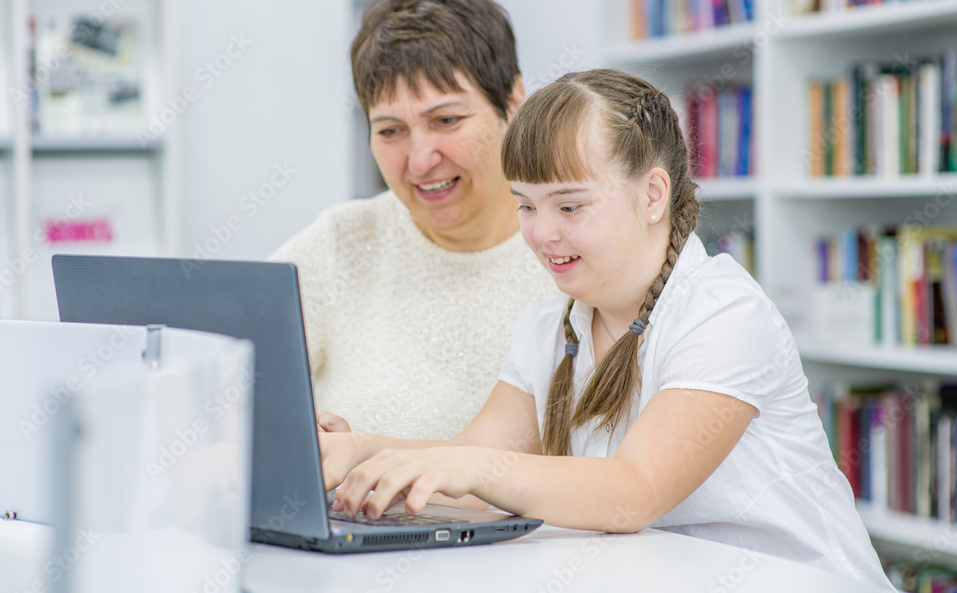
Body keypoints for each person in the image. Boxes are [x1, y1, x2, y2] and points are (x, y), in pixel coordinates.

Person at [320, 69, 894, 590]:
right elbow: (473, 473)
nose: (542, 234)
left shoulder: (724, 313)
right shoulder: (547, 329)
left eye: (569, 208)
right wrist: (360, 451)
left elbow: (636, 490)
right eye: (525, 206)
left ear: (651, 195)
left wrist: (468, 466)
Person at [268, 0, 558, 441]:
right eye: (390, 131)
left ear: (514, 102)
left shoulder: (574, 250)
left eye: (446, 120)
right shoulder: (342, 241)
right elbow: (219, 380)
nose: (420, 159)